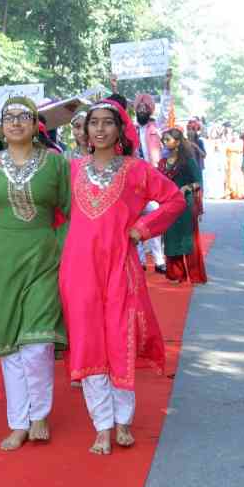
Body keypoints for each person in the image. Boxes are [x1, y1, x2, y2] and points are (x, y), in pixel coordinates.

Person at [59, 100, 184, 455]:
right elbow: (50, 212)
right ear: (84, 131)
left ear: (121, 130)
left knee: (119, 336)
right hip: (78, 268)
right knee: (88, 341)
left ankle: (123, 419)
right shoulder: (71, 170)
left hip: (120, 266)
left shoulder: (136, 170)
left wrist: (142, 229)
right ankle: (101, 425)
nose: (98, 129)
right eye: (93, 123)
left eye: (107, 123)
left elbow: (174, 200)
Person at [0, 97, 70, 451]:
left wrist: (58, 246)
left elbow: (70, 211)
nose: (15, 123)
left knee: (38, 344)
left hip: (44, 258)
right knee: (11, 347)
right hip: (0, 261)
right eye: (8, 118)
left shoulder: (56, 165)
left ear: (35, 123)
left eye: (22, 116)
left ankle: (39, 414)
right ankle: (18, 422)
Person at [132, 70, 172, 274]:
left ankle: (158, 260)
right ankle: (139, 261)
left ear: (149, 110)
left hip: (152, 180)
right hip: (132, 182)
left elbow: (166, 110)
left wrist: (167, 85)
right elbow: (116, 110)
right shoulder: (129, 128)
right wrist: (113, 88)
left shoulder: (156, 127)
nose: (141, 109)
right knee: (133, 220)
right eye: (139, 106)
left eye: (145, 106)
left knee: (154, 219)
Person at [159, 128, 207, 284]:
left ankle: (194, 274)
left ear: (178, 142)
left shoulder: (188, 161)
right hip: (168, 205)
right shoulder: (163, 162)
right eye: (163, 140)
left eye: (167, 140)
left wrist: (187, 188)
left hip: (185, 204)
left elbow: (199, 181)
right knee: (171, 237)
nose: (164, 143)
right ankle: (176, 273)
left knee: (188, 238)